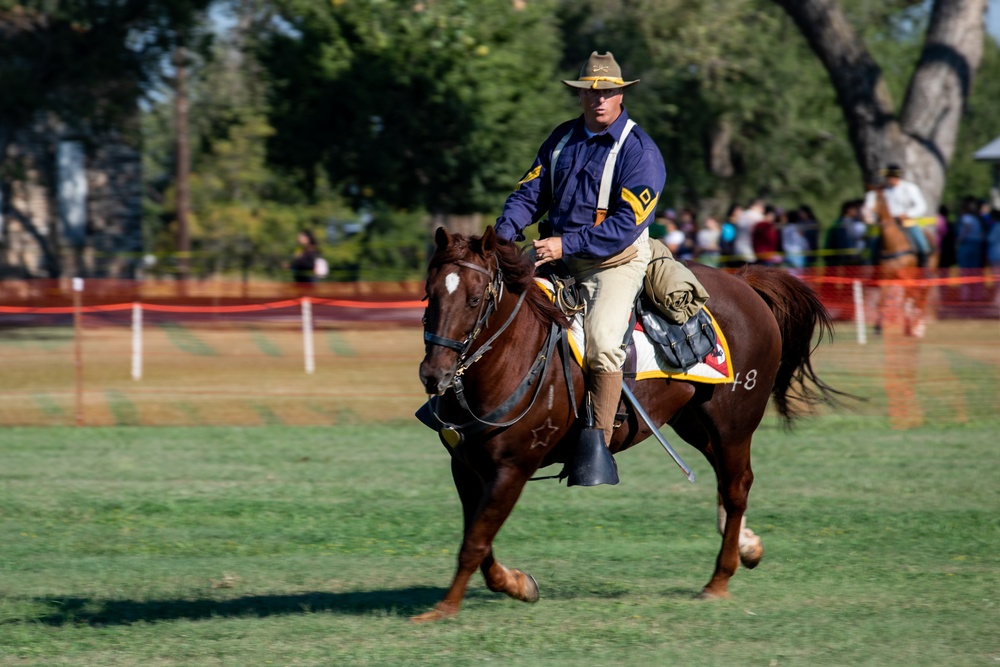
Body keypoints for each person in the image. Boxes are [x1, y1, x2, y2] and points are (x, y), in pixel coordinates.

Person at [494, 51, 666, 474]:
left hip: (614, 262)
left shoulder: (640, 151)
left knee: (604, 343)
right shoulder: (560, 140)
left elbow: (625, 226)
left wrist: (564, 245)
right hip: (556, 254)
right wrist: (501, 235)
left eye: (607, 93)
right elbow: (529, 195)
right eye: (591, 93)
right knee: (492, 304)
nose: (599, 100)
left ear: (621, 95)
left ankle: (596, 447)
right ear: (580, 97)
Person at [862, 164, 931, 266]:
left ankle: (924, 270)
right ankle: (872, 268)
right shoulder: (883, 191)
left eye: (891, 177)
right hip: (890, 222)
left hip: (907, 221)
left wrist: (907, 214)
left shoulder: (909, 188)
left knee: (921, 242)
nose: (889, 179)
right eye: (888, 177)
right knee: (874, 244)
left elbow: (921, 206)